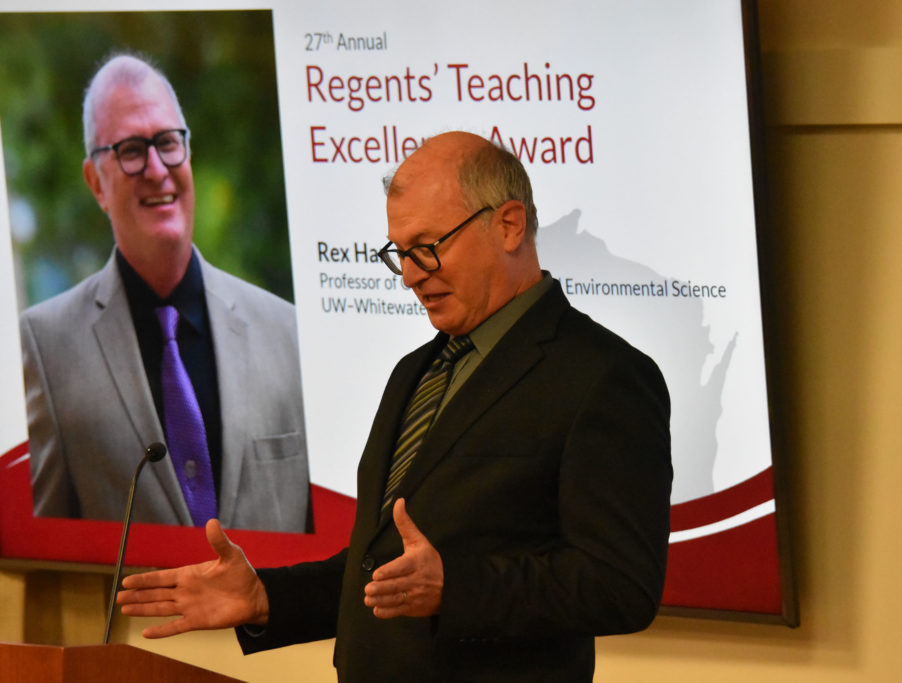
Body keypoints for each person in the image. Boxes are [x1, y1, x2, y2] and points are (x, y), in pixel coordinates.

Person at [117, 131, 671, 681]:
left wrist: (456, 587)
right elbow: (384, 570)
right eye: (399, 253)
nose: (409, 275)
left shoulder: (604, 378)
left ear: (509, 225)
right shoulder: (417, 371)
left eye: (427, 247)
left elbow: (619, 586)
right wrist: (267, 598)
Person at [19, 53, 310, 532]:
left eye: (168, 143)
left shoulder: (286, 332)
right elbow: (47, 555)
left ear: (188, 153)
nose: (157, 169)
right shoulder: (44, 347)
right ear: (96, 183)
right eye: (132, 149)